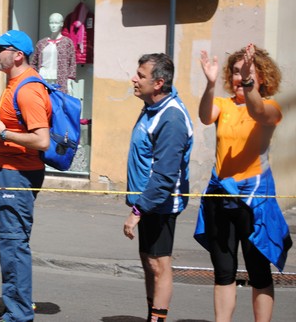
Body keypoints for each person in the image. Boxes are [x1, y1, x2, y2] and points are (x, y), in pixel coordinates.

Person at [194, 44, 292, 322]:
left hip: (255, 200)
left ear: (263, 77)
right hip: (220, 195)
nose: (240, 77)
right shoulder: (224, 105)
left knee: (259, 272)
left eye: (247, 72)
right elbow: (204, 116)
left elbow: (257, 111)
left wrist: (249, 83)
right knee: (223, 272)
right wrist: (210, 84)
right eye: (236, 72)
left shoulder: (271, 108)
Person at [0, 30, 52, 322]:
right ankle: (17, 306)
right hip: (10, 174)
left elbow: (42, 140)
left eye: (0, 50)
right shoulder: (16, 83)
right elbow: (19, 119)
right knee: (9, 241)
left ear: (17, 54)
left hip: (18, 175)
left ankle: (19, 314)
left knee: (13, 243)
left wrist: (3, 132)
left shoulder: (29, 89)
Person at [123, 53, 193, 322]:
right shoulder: (152, 107)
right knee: (148, 262)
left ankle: (158, 319)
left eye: (141, 75)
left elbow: (164, 175)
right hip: (148, 201)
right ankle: (152, 315)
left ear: (158, 83)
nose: (134, 78)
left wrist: (137, 212)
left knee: (159, 264)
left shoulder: (171, 118)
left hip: (161, 202)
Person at [30, 12, 76, 93]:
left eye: (56, 23)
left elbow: (72, 62)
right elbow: (33, 62)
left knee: (58, 102)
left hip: (60, 79)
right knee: (43, 101)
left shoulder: (67, 42)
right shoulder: (42, 43)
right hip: (43, 78)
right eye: (51, 23)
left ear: (61, 24)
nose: (53, 25)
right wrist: (34, 76)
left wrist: (70, 79)